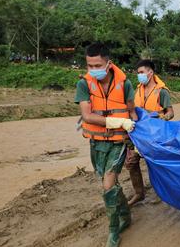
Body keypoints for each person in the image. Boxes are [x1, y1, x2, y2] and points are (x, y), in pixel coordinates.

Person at [75, 43, 136, 247]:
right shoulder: (84, 84)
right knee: (107, 183)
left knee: (108, 184)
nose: (93, 70)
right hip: (97, 142)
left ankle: (113, 231)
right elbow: (86, 115)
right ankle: (126, 214)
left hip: (118, 142)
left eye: (97, 65)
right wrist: (115, 121)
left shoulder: (125, 84)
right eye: (90, 66)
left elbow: (132, 112)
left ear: (109, 63)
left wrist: (136, 130)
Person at [125, 59, 174, 206]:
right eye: (138, 73)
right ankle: (139, 193)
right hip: (138, 134)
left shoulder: (162, 92)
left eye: (141, 72)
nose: (139, 75)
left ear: (150, 73)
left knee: (157, 164)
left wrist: (163, 117)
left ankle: (163, 192)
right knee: (131, 162)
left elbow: (170, 112)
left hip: (156, 134)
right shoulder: (137, 90)